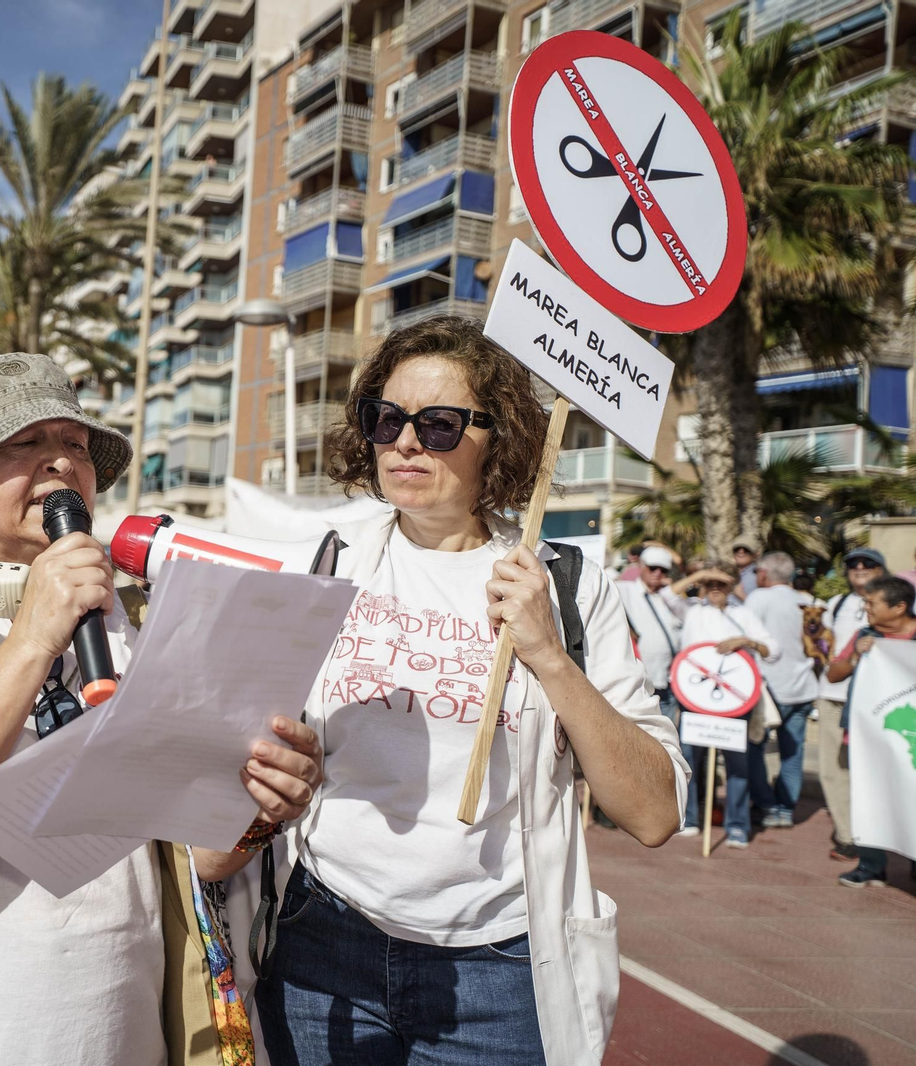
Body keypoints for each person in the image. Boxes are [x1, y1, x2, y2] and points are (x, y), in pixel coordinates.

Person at [0, 353, 323, 1066]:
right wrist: (32, 636)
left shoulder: (142, 628)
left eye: (74, 445)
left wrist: (263, 809)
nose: (58, 463)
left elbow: (191, 860)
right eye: (24, 444)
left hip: (122, 1036)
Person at [253, 317, 688, 1066]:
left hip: (499, 971)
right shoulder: (323, 561)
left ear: (504, 439)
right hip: (321, 942)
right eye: (385, 418)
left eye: (440, 424)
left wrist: (549, 654)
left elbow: (653, 813)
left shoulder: (566, 584)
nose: (405, 442)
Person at [824, 575, 916, 887]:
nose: (865, 608)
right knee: (870, 798)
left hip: (909, 740)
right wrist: (854, 657)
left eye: (871, 603)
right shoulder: (863, 635)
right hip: (868, 737)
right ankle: (871, 864)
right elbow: (833, 674)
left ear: (900, 607)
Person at [679, 567, 778, 847]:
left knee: (738, 764)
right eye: (709, 583)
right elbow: (665, 595)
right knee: (688, 761)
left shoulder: (743, 614)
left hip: (735, 701)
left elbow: (773, 649)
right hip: (695, 698)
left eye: (721, 584)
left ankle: (737, 825)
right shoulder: (691, 611)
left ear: (732, 585)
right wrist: (698, 575)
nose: (714, 588)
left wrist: (746, 641)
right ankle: (690, 818)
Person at [817, 548, 886, 860]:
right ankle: (847, 835)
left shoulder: (898, 603)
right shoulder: (837, 603)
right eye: (852, 564)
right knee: (833, 770)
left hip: (878, 700)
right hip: (834, 697)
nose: (859, 567)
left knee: (877, 772)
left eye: (867, 563)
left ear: (881, 569)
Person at [744, 552, 819, 830]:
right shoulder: (809, 602)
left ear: (763, 573)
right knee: (793, 752)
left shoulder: (759, 599)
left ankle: (766, 805)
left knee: (753, 749)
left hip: (767, 690)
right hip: (802, 688)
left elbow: (747, 639)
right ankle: (785, 810)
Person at [616, 544, 723, 725]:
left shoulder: (669, 597)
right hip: (640, 681)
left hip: (669, 680)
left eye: (663, 569)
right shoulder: (625, 589)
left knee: (666, 737)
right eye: (652, 568)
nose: (657, 573)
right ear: (641, 566)